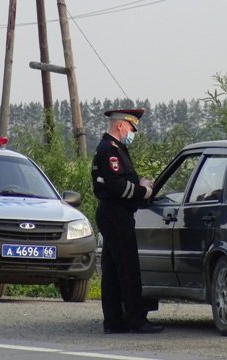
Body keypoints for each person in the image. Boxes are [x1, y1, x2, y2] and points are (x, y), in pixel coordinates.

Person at [91, 108, 163, 334]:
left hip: (115, 213)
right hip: (116, 214)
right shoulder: (109, 151)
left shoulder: (115, 149)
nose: (133, 132)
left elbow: (119, 181)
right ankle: (136, 319)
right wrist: (143, 191)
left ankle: (114, 321)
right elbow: (116, 185)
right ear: (121, 125)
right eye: (132, 128)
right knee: (128, 267)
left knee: (112, 270)